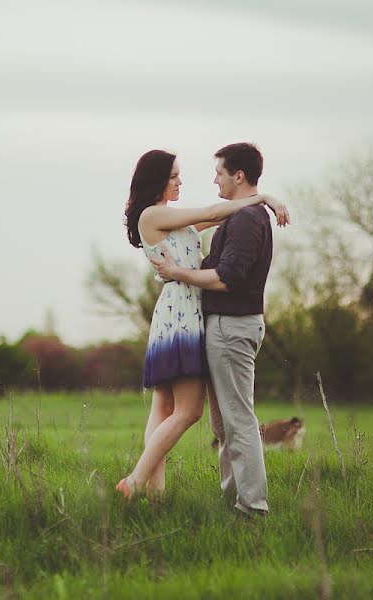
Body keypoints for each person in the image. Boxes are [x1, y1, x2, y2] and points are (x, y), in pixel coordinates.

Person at [117, 149, 288, 499]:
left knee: (163, 408)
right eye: (174, 176)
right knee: (188, 411)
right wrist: (264, 198)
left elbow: (219, 217)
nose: (181, 181)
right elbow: (213, 211)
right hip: (180, 314)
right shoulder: (154, 214)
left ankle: (156, 494)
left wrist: (249, 208)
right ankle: (134, 481)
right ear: (157, 180)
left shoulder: (170, 220)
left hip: (179, 311)